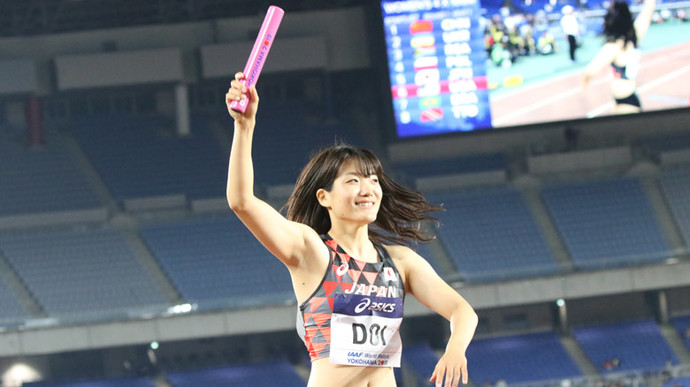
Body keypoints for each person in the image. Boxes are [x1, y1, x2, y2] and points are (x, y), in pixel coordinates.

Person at [225, 72, 478, 387]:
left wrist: (455, 349)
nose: (369, 188)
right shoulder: (312, 252)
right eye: (354, 180)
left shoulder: (400, 263)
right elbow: (242, 202)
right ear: (324, 197)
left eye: (373, 180)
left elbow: (461, 310)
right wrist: (244, 126)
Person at [582, 0, 656, 114]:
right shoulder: (635, 35)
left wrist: (584, 84)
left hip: (625, 101)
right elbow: (648, 10)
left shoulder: (614, 46)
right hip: (629, 96)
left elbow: (590, 71)